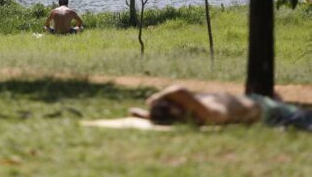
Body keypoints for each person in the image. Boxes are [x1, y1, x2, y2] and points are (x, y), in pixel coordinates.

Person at [129, 85, 312, 131]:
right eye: (173, 104)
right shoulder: (207, 114)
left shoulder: (192, 109)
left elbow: (176, 104)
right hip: (275, 114)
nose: (176, 102)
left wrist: (146, 115)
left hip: (263, 102)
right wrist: (156, 97)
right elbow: (179, 90)